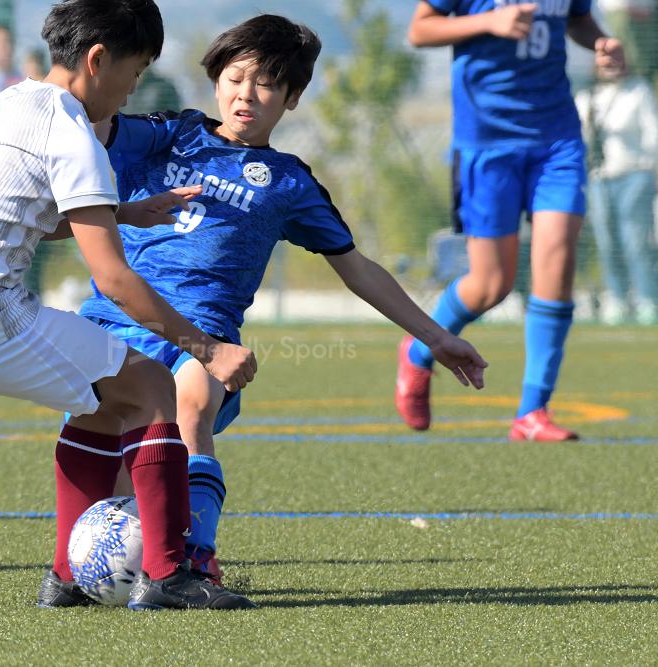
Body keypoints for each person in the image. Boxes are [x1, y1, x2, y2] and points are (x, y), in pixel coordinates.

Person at [78, 14, 488, 584]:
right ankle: (93, 570)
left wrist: (436, 337)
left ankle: (195, 563)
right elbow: (92, 121)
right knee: (120, 491)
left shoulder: (290, 182)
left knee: (191, 403)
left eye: (267, 84)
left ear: (292, 98)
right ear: (216, 81)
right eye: (235, 78)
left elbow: (358, 269)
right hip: (116, 321)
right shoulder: (170, 132)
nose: (247, 94)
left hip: (205, 340)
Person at [0, 0, 258, 611]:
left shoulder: (8, 103)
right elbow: (114, 279)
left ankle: (66, 577)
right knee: (151, 388)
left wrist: (121, 213)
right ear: (97, 60)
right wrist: (208, 349)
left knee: (101, 396)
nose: (132, 90)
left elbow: (15, 213)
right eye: (134, 72)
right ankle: (168, 575)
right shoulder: (73, 133)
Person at [398, 0, 625, 441]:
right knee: (491, 285)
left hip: (557, 139)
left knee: (557, 261)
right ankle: (417, 351)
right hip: (486, 143)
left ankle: (533, 411)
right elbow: (420, 30)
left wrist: (601, 42)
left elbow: (578, 19)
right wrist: (490, 21)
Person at [576, 61, 658, 325]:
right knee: (607, 241)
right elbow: (579, 137)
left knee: (634, 239)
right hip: (600, 178)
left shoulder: (638, 91)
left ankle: (647, 299)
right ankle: (617, 298)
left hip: (634, 174)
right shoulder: (588, 97)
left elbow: (653, 132)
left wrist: (648, 167)